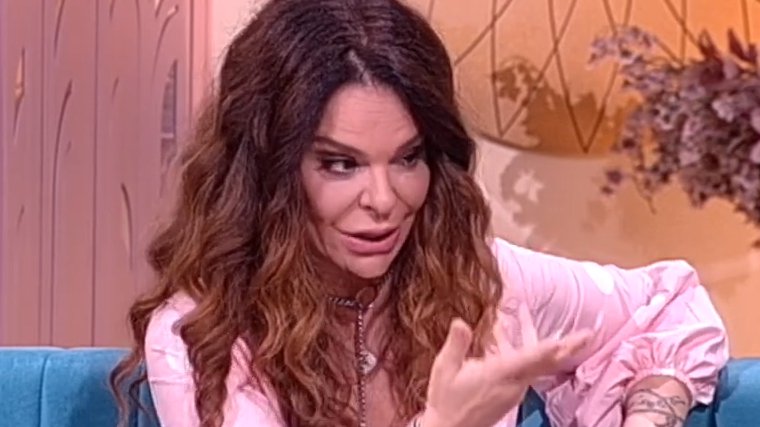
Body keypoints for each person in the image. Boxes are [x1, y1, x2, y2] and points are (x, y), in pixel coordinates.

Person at [110, 0, 729, 426]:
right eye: (340, 164)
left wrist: (651, 412)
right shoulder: (202, 335)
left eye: (408, 158)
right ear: (269, 170)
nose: (384, 200)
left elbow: (670, 303)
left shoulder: (480, 280)